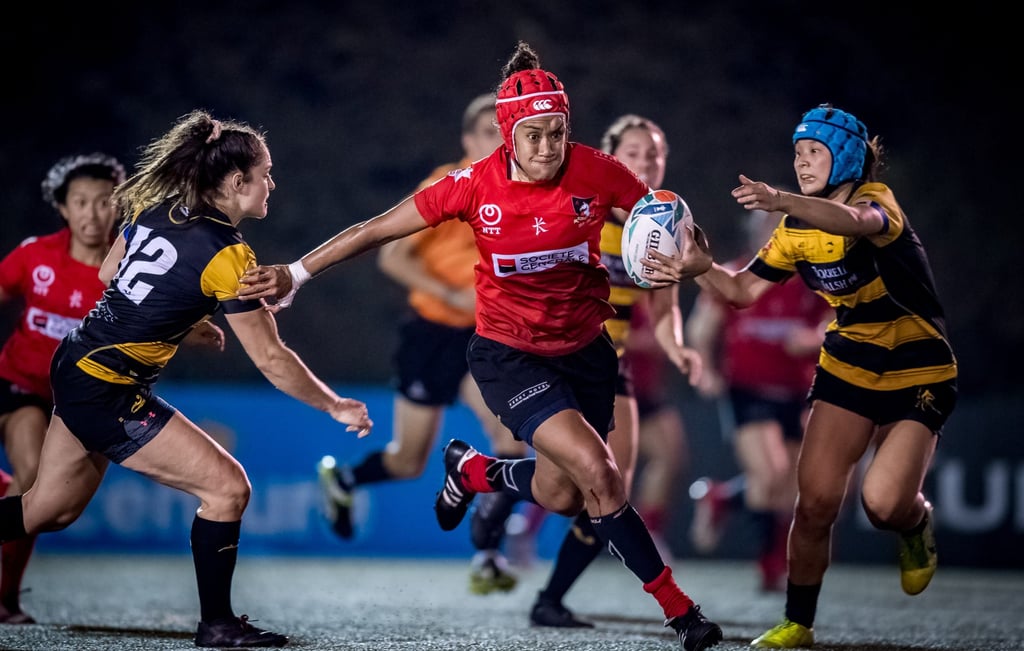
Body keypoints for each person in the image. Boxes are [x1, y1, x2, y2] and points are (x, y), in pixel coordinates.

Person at [238, 42, 722, 651]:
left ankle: (472, 471)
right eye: (534, 135)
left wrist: (693, 257)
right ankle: (683, 615)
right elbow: (376, 230)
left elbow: (676, 233)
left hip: (587, 352)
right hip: (508, 355)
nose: (548, 147)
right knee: (602, 474)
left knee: (561, 490)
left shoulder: (598, 171)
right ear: (506, 134)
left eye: (557, 132)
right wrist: (297, 274)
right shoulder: (471, 185)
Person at [0, 109, 373, 648]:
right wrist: (334, 405)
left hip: (76, 365)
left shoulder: (159, 208)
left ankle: (218, 623)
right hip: (108, 388)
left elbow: (110, 275)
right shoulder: (227, 255)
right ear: (236, 182)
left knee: (45, 510)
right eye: (265, 173)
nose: (272, 182)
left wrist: (182, 313)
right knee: (227, 489)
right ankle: (218, 625)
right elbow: (270, 360)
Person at [650, 103, 957, 648]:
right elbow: (743, 291)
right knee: (813, 503)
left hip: (918, 369)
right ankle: (798, 622)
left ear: (845, 158)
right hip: (848, 368)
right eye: (797, 153)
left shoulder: (873, 202)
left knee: (884, 504)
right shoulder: (794, 231)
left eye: (814, 151)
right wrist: (702, 271)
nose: (802, 161)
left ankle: (915, 523)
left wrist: (783, 200)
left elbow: (854, 224)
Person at [467, 113, 702, 628]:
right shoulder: (582, 205)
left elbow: (664, 312)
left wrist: (678, 348)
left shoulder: (661, 226)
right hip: (551, 358)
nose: (646, 163)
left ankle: (548, 595)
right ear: (613, 157)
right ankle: (675, 610)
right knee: (593, 483)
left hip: (607, 367)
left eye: (654, 154)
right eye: (634, 153)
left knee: (600, 490)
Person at [313, 92, 529, 594]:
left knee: (510, 443)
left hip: (486, 337)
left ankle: (486, 554)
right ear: (467, 140)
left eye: (505, 136)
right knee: (408, 461)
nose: (498, 144)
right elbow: (392, 259)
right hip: (431, 334)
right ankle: (343, 481)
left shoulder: (520, 190)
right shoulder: (445, 185)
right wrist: (449, 292)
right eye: (488, 136)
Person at [0, 153, 127, 624]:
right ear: (64, 208)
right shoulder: (35, 256)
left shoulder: (127, 268)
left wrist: (201, 330)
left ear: (118, 207)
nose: (92, 214)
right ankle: (5, 600)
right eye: (80, 202)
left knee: (56, 509)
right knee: (32, 474)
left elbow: (166, 319)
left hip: (80, 404)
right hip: (20, 388)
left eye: (102, 203)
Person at [684, 207, 830, 593]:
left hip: (798, 390)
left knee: (791, 484)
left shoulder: (811, 282)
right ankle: (770, 567)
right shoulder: (735, 275)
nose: (774, 236)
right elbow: (700, 327)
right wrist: (708, 370)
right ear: (754, 235)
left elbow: (836, 322)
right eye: (767, 228)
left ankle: (722, 497)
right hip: (747, 389)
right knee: (770, 474)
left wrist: (813, 338)